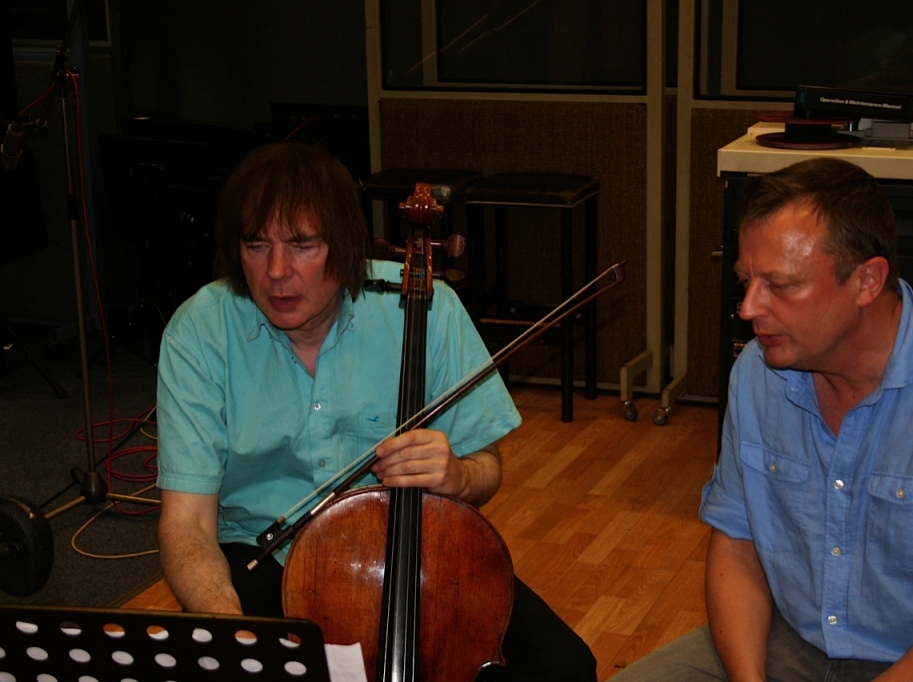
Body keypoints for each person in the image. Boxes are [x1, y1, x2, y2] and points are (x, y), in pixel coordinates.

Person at [155, 141, 596, 681]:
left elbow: (487, 471)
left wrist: (457, 475)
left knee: (565, 667)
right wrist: (241, 640)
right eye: (255, 245)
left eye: (301, 245)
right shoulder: (199, 332)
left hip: (407, 547)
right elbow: (186, 526)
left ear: (343, 246)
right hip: (262, 556)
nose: (275, 271)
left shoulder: (426, 306)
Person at [612, 157, 913, 681]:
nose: (748, 308)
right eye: (747, 281)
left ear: (867, 281)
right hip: (797, 641)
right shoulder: (757, 372)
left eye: (780, 286)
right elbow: (737, 546)